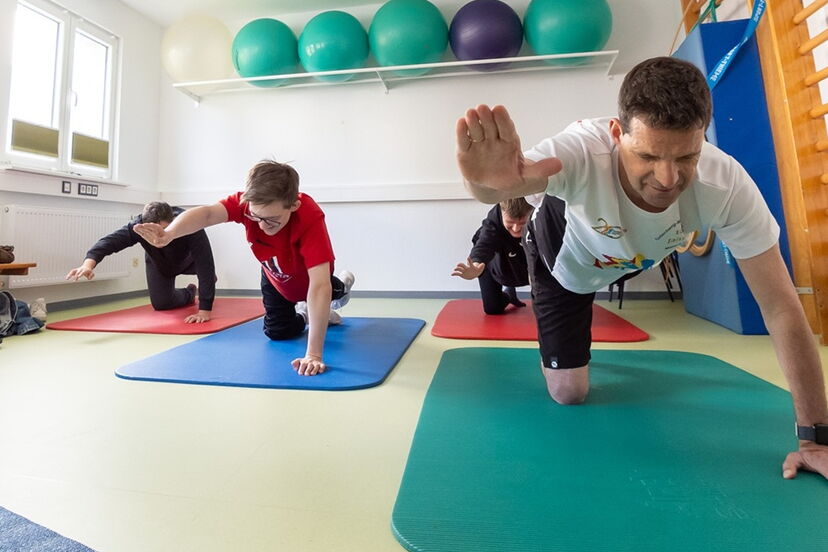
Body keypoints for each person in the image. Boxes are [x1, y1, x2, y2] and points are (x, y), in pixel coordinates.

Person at [455, 56, 828, 480]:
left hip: (626, 257)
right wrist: (483, 184)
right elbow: (499, 186)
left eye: (687, 156)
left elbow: (781, 306)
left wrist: (816, 439)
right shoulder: (580, 151)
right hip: (563, 262)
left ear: (702, 138)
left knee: (634, 249)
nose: (667, 179)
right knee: (569, 394)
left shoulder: (726, 185)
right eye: (648, 156)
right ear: (617, 134)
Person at [132, 160, 354, 377]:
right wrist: (169, 234)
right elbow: (207, 214)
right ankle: (306, 314)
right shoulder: (247, 204)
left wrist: (313, 354)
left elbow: (319, 285)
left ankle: (342, 288)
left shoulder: (310, 217)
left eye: (272, 219)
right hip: (275, 275)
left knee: (328, 290)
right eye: (256, 217)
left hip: (310, 277)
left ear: (293, 205)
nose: (262, 226)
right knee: (277, 332)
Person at [66, 202, 216, 323]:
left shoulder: (190, 224)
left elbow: (205, 262)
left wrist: (204, 310)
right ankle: (190, 293)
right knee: (161, 304)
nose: (158, 235)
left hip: (189, 262)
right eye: (152, 231)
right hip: (160, 264)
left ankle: (208, 282)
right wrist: (87, 265)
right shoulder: (138, 227)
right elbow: (109, 242)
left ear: (172, 221)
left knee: (206, 274)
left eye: (163, 229)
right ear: (144, 225)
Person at [451, 197, 533, 314]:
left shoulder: (540, 219)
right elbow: (483, 247)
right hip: (493, 262)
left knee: (544, 305)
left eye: (522, 223)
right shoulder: (493, 223)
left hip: (523, 261)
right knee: (492, 309)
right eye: (510, 223)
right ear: (502, 213)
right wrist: (476, 265)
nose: (516, 228)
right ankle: (509, 295)